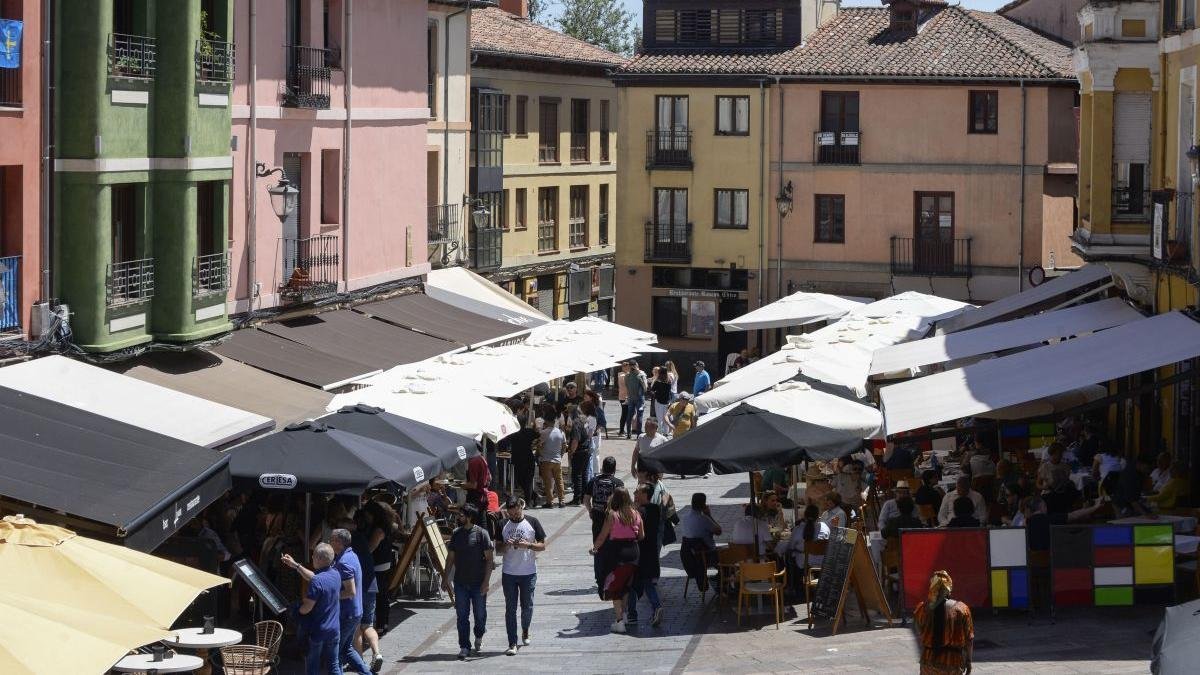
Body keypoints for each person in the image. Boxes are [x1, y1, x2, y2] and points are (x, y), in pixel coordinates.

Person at [443, 505, 495, 660]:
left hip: (478, 583)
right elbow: (450, 558)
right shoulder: (456, 534)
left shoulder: (481, 534)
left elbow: (489, 560)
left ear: (470, 517)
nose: (459, 517)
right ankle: (464, 646)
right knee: (461, 616)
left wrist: (486, 582)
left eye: (461, 515)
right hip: (460, 583)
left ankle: (479, 635)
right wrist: (446, 578)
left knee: (479, 615)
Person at [282, 543, 341, 675]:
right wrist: (296, 565)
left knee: (312, 667)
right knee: (334, 665)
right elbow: (314, 577)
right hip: (334, 629)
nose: (312, 558)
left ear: (319, 559)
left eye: (313, 556)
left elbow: (306, 609)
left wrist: (295, 610)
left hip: (318, 632)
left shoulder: (316, 582)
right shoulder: (336, 573)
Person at [590, 487, 644, 633]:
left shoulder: (613, 515)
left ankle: (619, 621)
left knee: (614, 588)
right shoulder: (636, 513)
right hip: (633, 553)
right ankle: (624, 615)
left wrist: (594, 548)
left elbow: (602, 536)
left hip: (617, 554)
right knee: (626, 585)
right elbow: (641, 536)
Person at [498, 498, 546, 655]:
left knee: (527, 606)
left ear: (521, 507)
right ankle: (512, 643)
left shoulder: (533, 521)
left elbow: (543, 545)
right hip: (509, 573)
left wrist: (529, 545)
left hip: (528, 572)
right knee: (510, 609)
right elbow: (498, 549)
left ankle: (525, 629)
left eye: (516, 512)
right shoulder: (502, 524)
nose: (514, 516)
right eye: (511, 513)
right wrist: (506, 544)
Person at [913, 570, 974, 675]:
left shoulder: (922, 609)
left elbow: (919, 634)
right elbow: (969, 640)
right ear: (949, 588)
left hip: (928, 662)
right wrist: (968, 661)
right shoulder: (961, 609)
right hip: (952, 663)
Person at [330, 528, 371, 675]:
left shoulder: (343, 562)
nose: (329, 542)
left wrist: (331, 595)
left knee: (335, 652)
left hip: (347, 613)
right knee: (346, 649)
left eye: (331, 539)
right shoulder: (351, 555)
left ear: (339, 543)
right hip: (354, 612)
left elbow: (350, 591)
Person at [627, 484, 665, 627]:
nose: (634, 493)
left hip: (638, 553)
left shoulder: (639, 512)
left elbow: (634, 530)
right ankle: (656, 607)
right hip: (651, 552)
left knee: (631, 584)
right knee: (648, 583)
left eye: (637, 492)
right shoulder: (655, 509)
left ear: (645, 494)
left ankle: (632, 614)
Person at [351, 510, 383, 671]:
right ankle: (377, 653)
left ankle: (359, 661)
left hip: (357, 588)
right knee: (368, 624)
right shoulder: (363, 539)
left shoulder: (348, 541)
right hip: (371, 585)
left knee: (356, 626)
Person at [776, 504, 831, 575]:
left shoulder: (798, 529)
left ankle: (789, 582)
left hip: (803, 563)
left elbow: (791, 546)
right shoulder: (825, 527)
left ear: (805, 516)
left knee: (787, 552)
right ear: (818, 516)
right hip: (822, 561)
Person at [584, 456, 626, 538]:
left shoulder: (593, 481)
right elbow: (622, 502)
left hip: (597, 514)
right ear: (614, 469)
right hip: (613, 515)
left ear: (602, 468)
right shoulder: (619, 483)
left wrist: (590, 510)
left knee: (597, 539)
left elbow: (586, 499)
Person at [538, 414, 566, 509]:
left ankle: (550, 502)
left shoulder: (544, 432)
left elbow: (539, 445)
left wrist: (541, 453)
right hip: (557, 460)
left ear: (547, 422)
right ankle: (562, 500)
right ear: (554, 422)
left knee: (548, 482)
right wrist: (561, 455)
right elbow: (564, 445)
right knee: (559, 481)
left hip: (546, 460)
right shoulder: (561, 432)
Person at [567, 405, 592, 507]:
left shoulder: (576, 422)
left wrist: (571, 452)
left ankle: (577, 499)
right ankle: (583, 498)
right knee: (584, 475)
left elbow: (575, 440)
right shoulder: (584, 420)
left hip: (580, 452)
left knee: (577, 475)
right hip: (587, 450)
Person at [625, 361, 648, 439]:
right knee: (639, 416)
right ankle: (638, 435)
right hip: (639, 398)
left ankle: (628, 434)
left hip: (631, 398)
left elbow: (627, 387)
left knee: (629, 416)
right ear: (637, 365)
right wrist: (641, 380)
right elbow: (645, 388)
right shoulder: (641, 375)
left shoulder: (627, 375)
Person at [650, 368, 674, 435]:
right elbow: (669, 392)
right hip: (666, 402)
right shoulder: (669, 381)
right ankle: (666, 433)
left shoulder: (658, 381)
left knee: (659, 418)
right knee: (665, 418)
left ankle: (660, 432)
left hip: (658, 401)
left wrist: (655, 394)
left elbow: (652, 390)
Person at [617, 361, 631, 436]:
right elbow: (626, 383)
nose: (628, 368)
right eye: (626, 366)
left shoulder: (625, 374)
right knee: (625, 414)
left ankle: (622, 430)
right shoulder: (622, 375)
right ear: (623, 367)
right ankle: (621, 430)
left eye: (628, 366)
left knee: (626, 413)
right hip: (624, 397)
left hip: (625, 396)